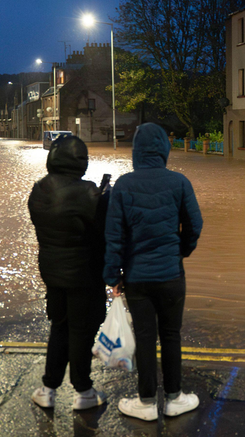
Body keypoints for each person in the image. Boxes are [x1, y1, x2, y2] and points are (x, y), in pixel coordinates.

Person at [104, 123, 203, 421]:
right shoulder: (180, 182)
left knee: (146, 337)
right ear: (164, 149)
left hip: (137, 278)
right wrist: (181, 251)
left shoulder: (123, 185)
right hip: (172, 274)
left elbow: (113, 237)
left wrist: (112, 277)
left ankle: (146, 403)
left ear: (135, 151)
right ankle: (174, 398)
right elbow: (195, 225)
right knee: (171, 335)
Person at [28, 135, 111, 411]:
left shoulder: (39, 189)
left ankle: (48, 388)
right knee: (81, 331)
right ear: (81, 162)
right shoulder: (89, 192)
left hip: (52, 273)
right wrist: (106, 199)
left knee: (60, 328)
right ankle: (83, 390)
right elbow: (103, 233)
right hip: (84, 275)